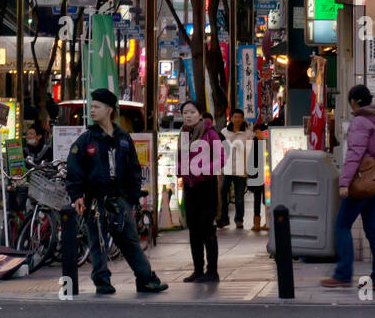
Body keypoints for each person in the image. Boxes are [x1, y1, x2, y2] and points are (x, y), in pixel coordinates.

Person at [65, 89, 168, 295]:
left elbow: (134, 168)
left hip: (121, 199)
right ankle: (102, 282)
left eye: (97, 107)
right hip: (95, 200)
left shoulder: (123, 138)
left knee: (130, 241)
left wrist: (132, 198)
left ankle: (146, 279)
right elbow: (74, 169)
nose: (92, 110)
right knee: (98, 243)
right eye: (92, 106)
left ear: (109, 110)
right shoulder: (86, 140)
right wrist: (77, 195)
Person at [322, 85, 375, 290]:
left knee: (341, 225)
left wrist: (344, 183)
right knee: (374, 232)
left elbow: (355, 154)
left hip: (361, 184)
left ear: (355, 101)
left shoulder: (360, 122)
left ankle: (343, 274)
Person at [177, 100, 223, 282]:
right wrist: (180, 169)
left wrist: (204, 168)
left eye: (192, 112)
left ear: (199, 114)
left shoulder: (210, 134)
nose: (188, 116)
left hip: (206, 185)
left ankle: (212, 271)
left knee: (207, 229)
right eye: (185, 113)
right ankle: (198, 269)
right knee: (194, 230)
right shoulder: (183, 134)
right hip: (189, 187)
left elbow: (221, 158)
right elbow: (180, 157)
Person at [220, 110, 253, 230]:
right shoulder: (224, 132)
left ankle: (239, 220)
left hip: (241, 170)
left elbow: (250, 152)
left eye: (240, 117)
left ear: (243, 119)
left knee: (239, 197)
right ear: (231, 118)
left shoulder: (248, 134)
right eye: (235, 117)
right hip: (227, 169)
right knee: (223, 193)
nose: (237, 119)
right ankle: (224, 218)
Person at [248, 116, 269, 231]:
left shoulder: (269, 143)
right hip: (257, 175)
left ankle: (268, 222)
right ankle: (256, 223)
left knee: (267, 200)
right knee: (256, 199)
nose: (258, 134)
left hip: (268, 175)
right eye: (256, 133)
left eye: (259, 132)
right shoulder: (254, 143)